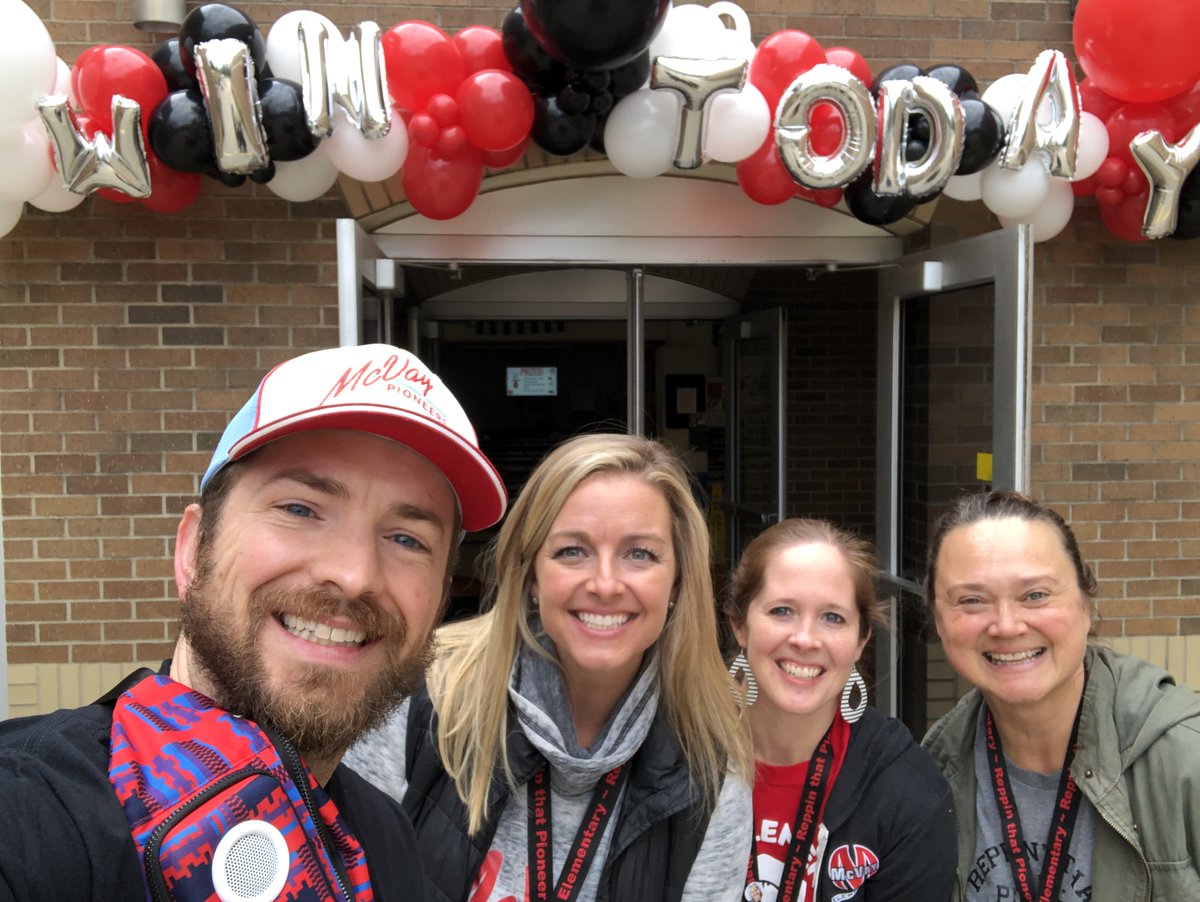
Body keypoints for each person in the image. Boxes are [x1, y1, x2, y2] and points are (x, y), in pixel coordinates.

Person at [0, 343, 508, 901]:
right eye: (299, 509)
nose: (354, 575)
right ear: (194, 549)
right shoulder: (29, 812)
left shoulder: (385, 838)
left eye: (407, 539)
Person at [345, 433, 754, 902]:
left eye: (639, 554)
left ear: (678, 582)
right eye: (572, 551)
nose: (605, 584)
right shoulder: (417, 696)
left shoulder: (711, 773)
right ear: (531, 577)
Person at [921, 490, 1200, 902]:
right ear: (938, 620)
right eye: (972, 600)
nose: (1006, 625)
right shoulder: (932, 772)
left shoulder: (1185, 758)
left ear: (1086, 603)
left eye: (1035, 595)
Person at [726, 518, 956, 902]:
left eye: (832, 617)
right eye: (782, 610)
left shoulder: (907, 791)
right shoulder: (678, 758)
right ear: (740, 626)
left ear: (861, 641)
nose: (805, 639)